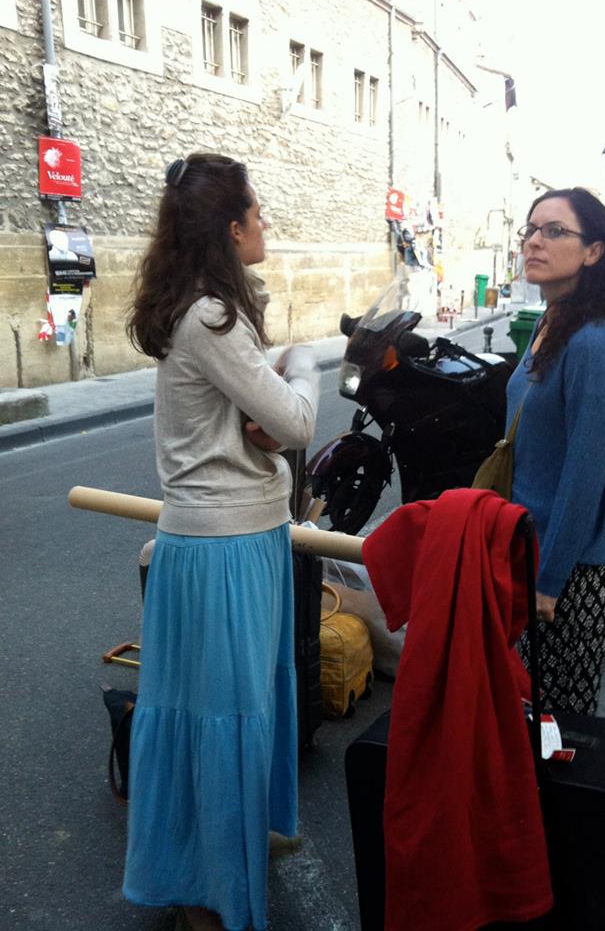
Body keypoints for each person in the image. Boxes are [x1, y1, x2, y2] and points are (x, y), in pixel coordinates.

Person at [123, 153, 319, 931]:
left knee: (213, 713)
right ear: (232, 230)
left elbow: (243, 407)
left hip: (224, 542)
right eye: (257, 213)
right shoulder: (212, 317)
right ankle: (209, 892)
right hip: (226, 548)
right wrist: (304, 366)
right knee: (223, 718)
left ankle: (213, 862)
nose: (265, 222)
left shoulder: (198, 311)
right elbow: (296, 421)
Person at [509, 187, 605, 715]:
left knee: (557, 727)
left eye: (554, 231)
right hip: (529, 549)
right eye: (531, 229)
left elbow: (585, 474)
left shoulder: (592, 343)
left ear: (593, 251)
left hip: (567, 571)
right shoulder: (549, 322)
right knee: (522, 713)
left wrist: (549, 581)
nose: (535, 241)